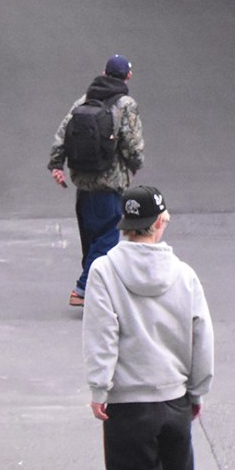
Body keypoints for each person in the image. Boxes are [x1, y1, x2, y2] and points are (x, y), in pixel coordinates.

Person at [82, 185, 214, 470]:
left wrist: (99, 387)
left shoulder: (105, 270)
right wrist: (198, 388)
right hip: (174, 395)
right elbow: (200, 334)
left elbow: (102, 333)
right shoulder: (184, 274)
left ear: (125, 224)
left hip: (129, 399)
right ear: (160, 222)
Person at [48, 54, 144, 307]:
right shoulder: (125, 105)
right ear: (128, 76)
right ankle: (83, 288)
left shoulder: (84, 100)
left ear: (104, 72)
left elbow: (62, 134)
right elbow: (132, 144)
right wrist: (134, 166)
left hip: (82, 179)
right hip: (109, 182)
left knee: (92, 238)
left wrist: (56, 165)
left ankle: (98, 288)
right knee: (108, 238)